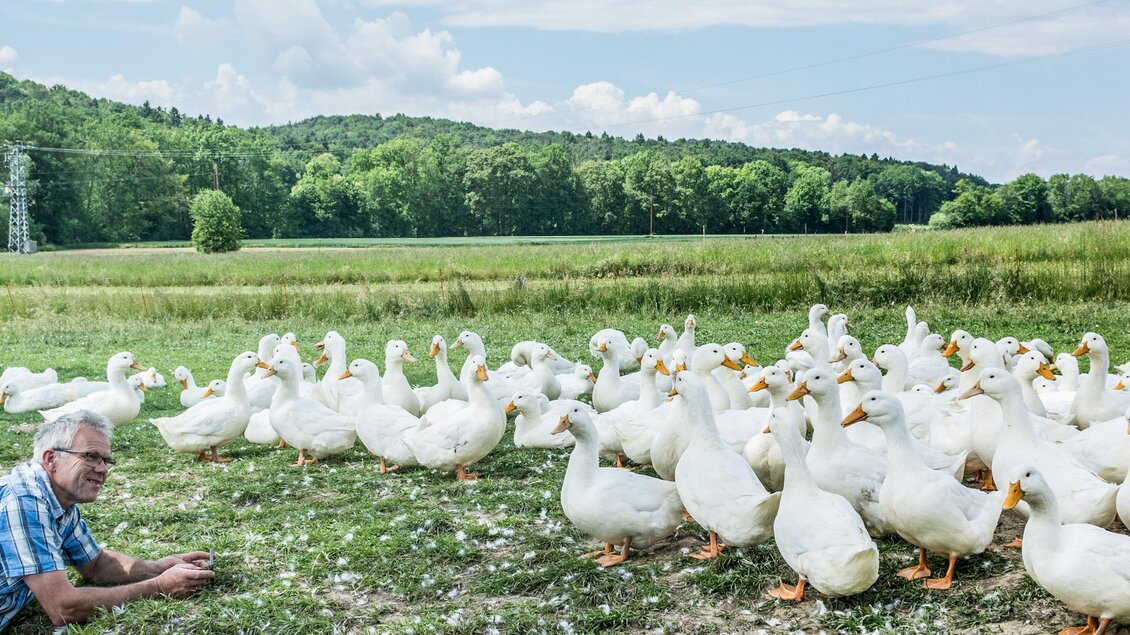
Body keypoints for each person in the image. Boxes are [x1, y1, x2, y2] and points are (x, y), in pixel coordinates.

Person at [0, 410, 214, 628]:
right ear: (51, 459)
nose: (103, 469)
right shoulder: (23, 501)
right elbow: (63, 607)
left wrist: (157, 568)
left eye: (106, 460)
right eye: (90, 456)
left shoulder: (60, 499)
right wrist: (159, 587)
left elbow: (95, 565)